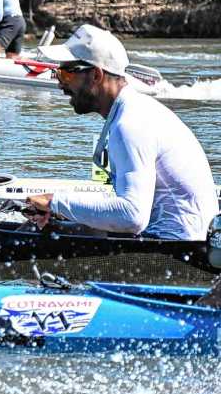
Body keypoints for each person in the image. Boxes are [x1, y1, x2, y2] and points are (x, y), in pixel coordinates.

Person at [26, 25, 218, 240]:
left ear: (96, 75)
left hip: (176, 250)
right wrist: (60, 211)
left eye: (65, 74)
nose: (60, 84)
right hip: (177, 239)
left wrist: (56, 202)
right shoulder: (134, 110)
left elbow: (132, 216)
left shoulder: (130, 125)